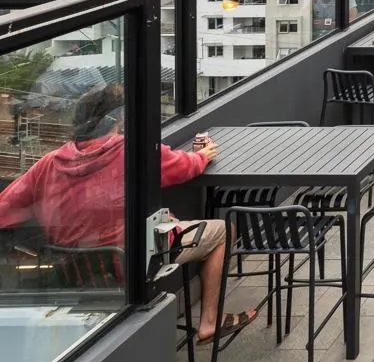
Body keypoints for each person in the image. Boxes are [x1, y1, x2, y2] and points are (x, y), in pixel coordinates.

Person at [0, 86, 256, 343]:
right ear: (118, 118)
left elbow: (4, 208)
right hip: (132, 266)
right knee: (224, 232)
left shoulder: (48, 164)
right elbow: (183, 166)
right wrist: (202, 156)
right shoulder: (131, 153)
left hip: (72, 275)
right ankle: (210, 322)